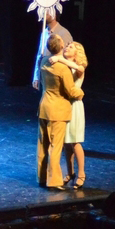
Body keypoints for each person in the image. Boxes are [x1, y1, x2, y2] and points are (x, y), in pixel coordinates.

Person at [37, 33, 83, 189]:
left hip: (44, 107)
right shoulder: (62, 68)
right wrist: (81, 93)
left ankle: (42, 177)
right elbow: (71, 91)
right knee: (55, 147)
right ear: (61, 46)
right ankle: (54, 181)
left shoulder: (44, 61)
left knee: (42, 145)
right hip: (57, 110)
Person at [50, 41, 88, 188]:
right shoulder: (64, 66)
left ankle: (82, 174)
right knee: (66, 142)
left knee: (75, 141)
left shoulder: (79, 67)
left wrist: (60, 59)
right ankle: (70, 172)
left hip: (74, 106)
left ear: (77, 53)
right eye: (66, 46)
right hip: (64, 105)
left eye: (70, 47)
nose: (67, 48)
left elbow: (79, 69)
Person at [33, 8, 73, 90]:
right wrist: (36, 77)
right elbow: (39, 55)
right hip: (45, 76)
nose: (44, 13)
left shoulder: (64, 33)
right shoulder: (44, 32)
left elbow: (70, 57)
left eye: (47, 11)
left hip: (57, 77)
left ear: (54, 14)